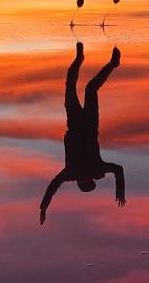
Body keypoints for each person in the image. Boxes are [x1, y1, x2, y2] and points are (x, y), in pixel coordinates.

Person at [39, 43, 124, 223]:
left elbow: (53, 186)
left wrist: (44, 206)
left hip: (75, 123)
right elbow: (118, 169)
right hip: (90, 124)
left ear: (79, 181)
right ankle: (112, 64)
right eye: (88, 180)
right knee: (91, 88)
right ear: (92, 179)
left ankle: (79, 59)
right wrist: (120, 191)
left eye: (83, 181)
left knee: (70, 84)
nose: (85, 178)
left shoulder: (71, 172)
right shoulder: (97, 169)